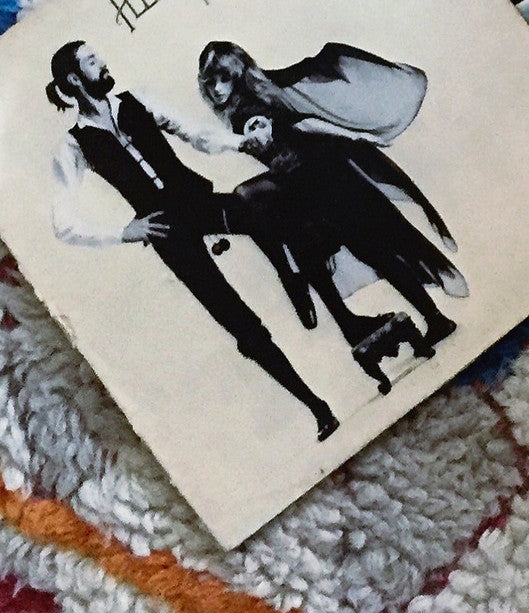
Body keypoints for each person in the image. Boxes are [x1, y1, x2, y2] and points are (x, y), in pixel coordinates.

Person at [47, 43, 339, 440]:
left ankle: (291, 276)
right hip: (167, 232)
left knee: (257, 210)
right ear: (73, 79)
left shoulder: (136, 101)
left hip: (194, 200)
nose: (104, 63)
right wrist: (123, 233)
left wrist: (239, 142)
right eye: (93, 62)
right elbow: (62, 222)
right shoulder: (74, 144)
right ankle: (317, 407)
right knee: (237, 319)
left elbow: (192, 132)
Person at [197, 42, 465, 388]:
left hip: (327, 181)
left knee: (380, 250)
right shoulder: (244, 106)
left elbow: (303, 124)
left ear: (237, 75)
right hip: (312, 186)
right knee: (377, 250)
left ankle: (434, 317)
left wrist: (354, 133)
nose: (217, 88)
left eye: (223, 78)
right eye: (210, 82)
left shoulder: (250, 107)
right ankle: (432, 317)